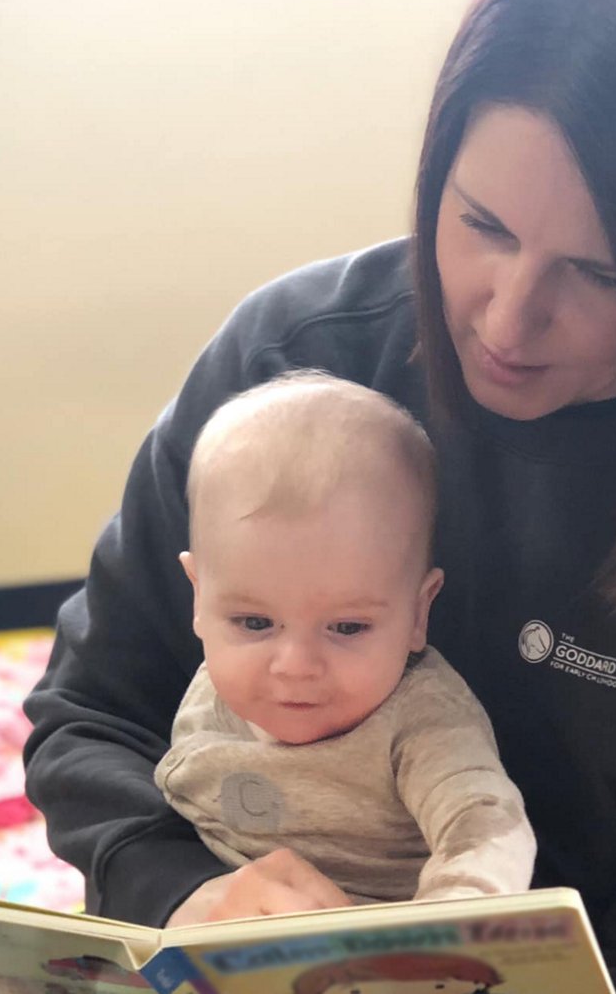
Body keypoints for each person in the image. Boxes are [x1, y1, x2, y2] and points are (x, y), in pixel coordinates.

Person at [23, 0, 616, 990]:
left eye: (602, 276)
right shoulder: (285, 371)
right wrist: (175, 888)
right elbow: (89, 714)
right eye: (482, 226)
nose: (504, 323)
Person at [155, 373, 536, 905]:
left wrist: (451, 921)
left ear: (418, 614)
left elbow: (487, 827)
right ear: (199, 598)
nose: (294, 666)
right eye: (254, 623)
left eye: (347, 627)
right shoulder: (213, 697)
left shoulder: (422, 721)